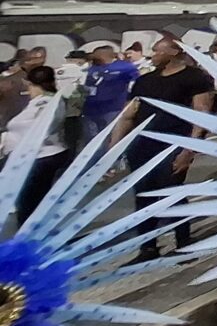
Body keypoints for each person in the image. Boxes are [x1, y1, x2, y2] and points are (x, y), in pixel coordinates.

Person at [109, 37, 214, 259]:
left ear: (174, 52)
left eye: (157, 51)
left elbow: (201, 113)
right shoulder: (144, 81)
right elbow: (128, 115)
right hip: (142, 145)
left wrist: (189, 150)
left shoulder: (195, 77)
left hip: (174, 143)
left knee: (172, 192)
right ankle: (147, 247)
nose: (152, 55)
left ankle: (183, 243)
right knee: (143, 195)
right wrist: (114, 148)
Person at [2, 64, 74, 224]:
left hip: (42, 156)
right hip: (35, 156)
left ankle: (27, 235)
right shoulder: (39, 101)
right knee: (30, 199)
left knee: (29, 201)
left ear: (30, 84)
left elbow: (42, 127)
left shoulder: (47, 102)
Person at [81, 44, 139, 139]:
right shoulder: (89, 69)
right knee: (91, 139)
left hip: (112, 108)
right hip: (89, 109)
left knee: (111, 137)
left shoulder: (125, 67)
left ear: (103, 55)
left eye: (96, 55)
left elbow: (135, 83)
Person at [1, 46, 48, 123]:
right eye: (32, 59)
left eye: (41, 59)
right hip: (10, 124)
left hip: (36, 124)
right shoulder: (9, 79)